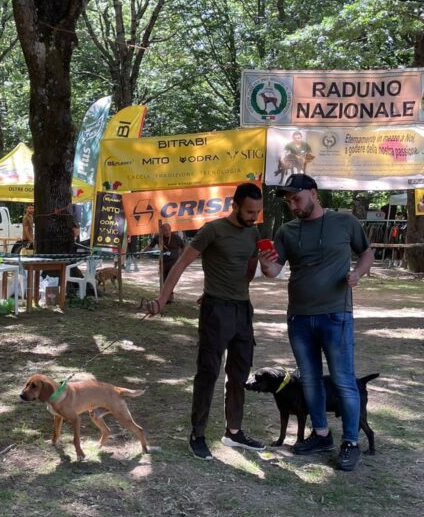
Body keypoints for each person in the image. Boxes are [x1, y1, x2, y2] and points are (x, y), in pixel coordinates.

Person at [260, 174, 375, 472]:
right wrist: (265, 263)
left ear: (313, 193)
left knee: (343, 380)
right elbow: (274, 270)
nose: (293, 206)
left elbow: (366, 252)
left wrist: (358, 273)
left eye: (297, 199)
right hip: (298, 318)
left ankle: (350, 442)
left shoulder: (344, 222)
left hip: (336, 315)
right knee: (309, 379)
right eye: (289, 202)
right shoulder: (287, 231)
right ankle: (321, 435)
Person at [145, 183, 266, 460]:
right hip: (216, 310)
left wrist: (263, 265)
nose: (253, 217)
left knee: (239, 373)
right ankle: (197, 434)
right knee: (208, 372)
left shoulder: (253, 233)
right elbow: (180, 264)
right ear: (235, 206)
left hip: (242, 310)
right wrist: (162, 299)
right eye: (249, 211)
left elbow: (247, 271)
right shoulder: (213, 230)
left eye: (257, 212)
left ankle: (233, 432)